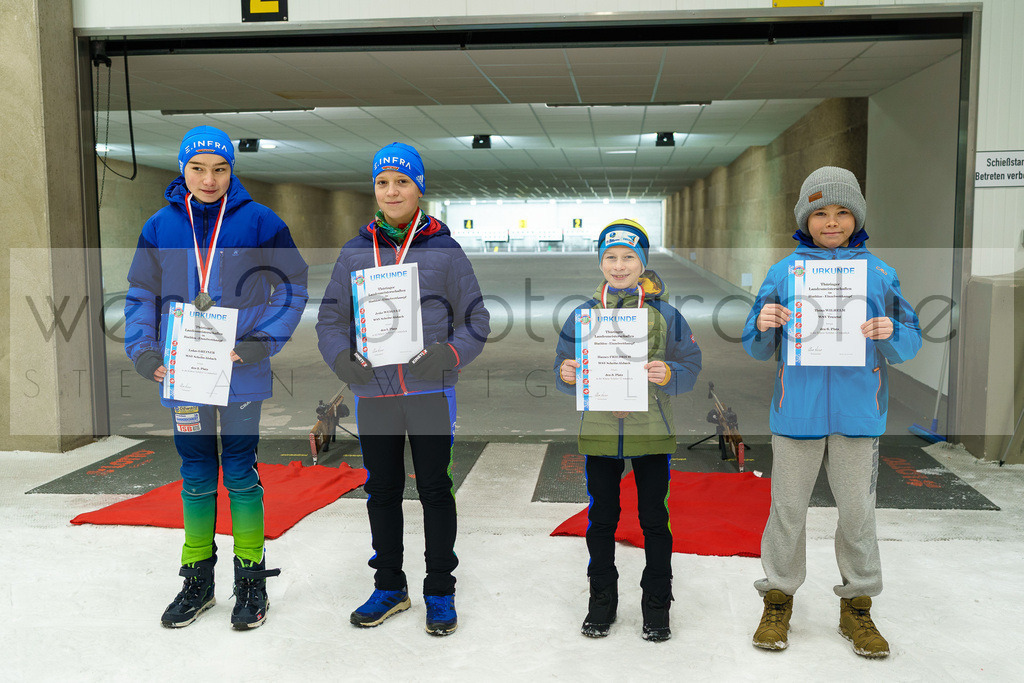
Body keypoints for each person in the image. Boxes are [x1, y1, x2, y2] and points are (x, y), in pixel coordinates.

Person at [124, 125, 309, 630]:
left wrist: (261, 342)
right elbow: (141, 291)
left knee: (243, 474)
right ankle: (197, 580)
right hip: (185, 373)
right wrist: (142, 349)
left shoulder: (260, 221)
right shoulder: (161, 226)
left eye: (220, 169)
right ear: (182, 170)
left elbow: (293, 287)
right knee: (197, 477)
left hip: (239, 372)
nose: (209, 179)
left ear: (232, 170)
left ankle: (251, 580)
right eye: (198, 168)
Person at [742, 166, 922, 658]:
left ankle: (858, 607)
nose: (832, 222)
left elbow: (911, 339)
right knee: (787, 511)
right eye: (820, 213)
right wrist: (763, 324)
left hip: (858, 414)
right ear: (806, 218)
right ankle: (777, 599)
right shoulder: (784, 273)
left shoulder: (880, 274)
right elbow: (756, 346)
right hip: (796, 414)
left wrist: (894, 334)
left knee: (858, 514)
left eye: (843, 212)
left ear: (856, 217)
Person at [316, 142, 489, 636]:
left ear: (419, 189)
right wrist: (341, 358)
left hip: (430, 391)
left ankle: (439, 589)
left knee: (435, 489)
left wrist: (450, 354)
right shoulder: (354, 252)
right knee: (382, 490)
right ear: (375, 189)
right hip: (373, 393)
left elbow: (476, 317)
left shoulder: (446, 252)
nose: (392, 190)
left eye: (402, 182)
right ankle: (390, 585)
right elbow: (331, 319)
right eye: (383, 182)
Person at [554, 219, 701, 642]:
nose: (619, 266)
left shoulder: (665, 315)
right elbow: (564, 364)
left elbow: (690, 366)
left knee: (655, 518)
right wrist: (566, 373)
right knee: (601, 518)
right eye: (610, 257)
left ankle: (657, 602)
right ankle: (601, 599)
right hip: (600, 432)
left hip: (651, 431)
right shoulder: (584, 314)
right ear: (601, 262)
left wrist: (667, 372)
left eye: (629, 257)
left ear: (643, 262)